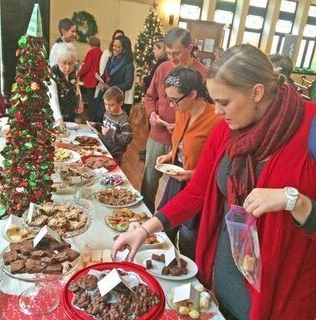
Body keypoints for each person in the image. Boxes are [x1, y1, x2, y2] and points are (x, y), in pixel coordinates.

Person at [113, 44, 316, 319]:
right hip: (226, 275)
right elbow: (196, 193)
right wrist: (146, 229)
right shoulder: (227, 129)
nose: (217, 112)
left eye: (224, 102)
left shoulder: (310, 128)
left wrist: (296, 201)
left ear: (256, 92)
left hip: (281, 291)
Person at [155, 66, 221, 260]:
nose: (171, 105)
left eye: (174, 100)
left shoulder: (216, 120)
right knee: (165, 230)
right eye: (169, 99)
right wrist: (171, 156)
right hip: (177, 180)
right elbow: (182, 143)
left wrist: (193, 174)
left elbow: (218, 165)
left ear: (193, 94)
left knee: (188, 237)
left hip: (198, 186)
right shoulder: (182, 112)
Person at [140, 27, 208, 213]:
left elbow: (205, 111)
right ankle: (145, 218)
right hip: (158, 135)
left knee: (176, 187)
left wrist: (182, 126)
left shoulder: (203, 74)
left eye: (176, 53)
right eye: (169, 53)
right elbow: (149, 97)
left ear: (190, 47)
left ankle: (169, 220)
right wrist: (152, 114)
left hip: (186, 141)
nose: (172, 58)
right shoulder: (163, 68)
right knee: (149, 181)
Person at [139, 39, 168, 160]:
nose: (153, 51)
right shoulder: (160, 64)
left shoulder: (162, 64)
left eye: (155, 49)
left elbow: (152, 81)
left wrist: (145, 78)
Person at [95, 35, 134, 119]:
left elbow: (128, 84)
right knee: (99, 118)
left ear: (124, 48)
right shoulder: (111, 59)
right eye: (113, 45)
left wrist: (112, 88)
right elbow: (105, 75)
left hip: (115, 99)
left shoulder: (129, 64)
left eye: (117, 46)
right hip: (104, 95)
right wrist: (100, 81)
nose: (114, 48)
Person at [94, 86, 133, 164]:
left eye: (111, 105)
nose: (108, 108)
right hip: (104, 148)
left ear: (121, 103)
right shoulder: (107, 113)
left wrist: (109, 133)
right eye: (105, 104)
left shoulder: (124, 121)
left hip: (115, 154)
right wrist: (97, 126)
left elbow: (126, 139)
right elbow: (106, 126)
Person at [48, 43, 84, 126]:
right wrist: (59, 119)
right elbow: (54, 99)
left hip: (69, 116)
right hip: (55, 118)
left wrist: (79, 101)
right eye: (64, 63)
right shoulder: (52, 76)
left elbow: (76, 86)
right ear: (58, 61)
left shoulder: (73, 72)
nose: (67, 67)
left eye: (71, 63)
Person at [78, 36, 102, 121]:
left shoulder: (91, 53)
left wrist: (78, 74)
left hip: (90, 80)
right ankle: (95, 117)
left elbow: (86, 66)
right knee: (96, 100)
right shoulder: (101, 52)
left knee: (90, 101)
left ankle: (91, 118)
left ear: (90, 44)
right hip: (98, 80)